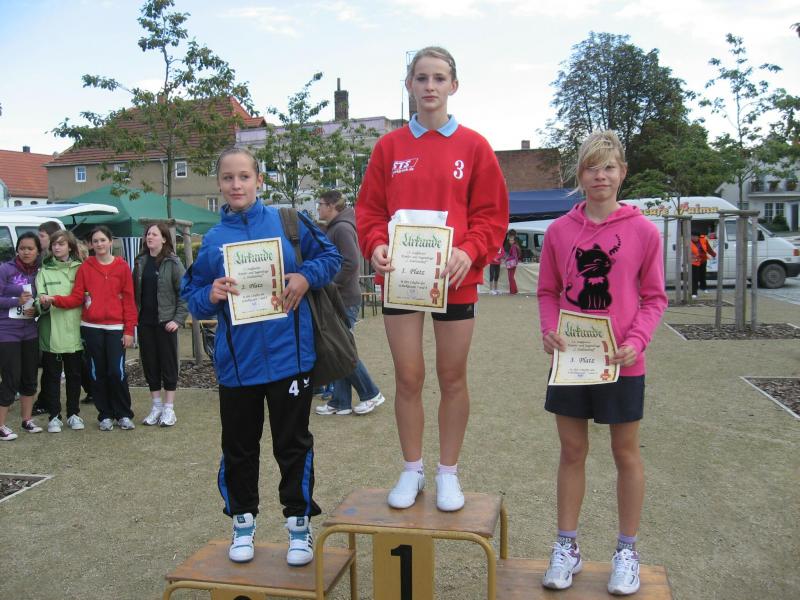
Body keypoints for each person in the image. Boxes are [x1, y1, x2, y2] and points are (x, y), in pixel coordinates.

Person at [356, 46, 508, 512]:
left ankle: (448, 473)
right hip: (402, 278)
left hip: (454, 278)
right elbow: (369, 211)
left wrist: (469, 250)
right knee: (408, 376)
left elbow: (491, 214)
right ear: (409, 85)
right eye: (421, 78)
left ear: (453, 86)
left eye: (439, 78)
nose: (429, 86)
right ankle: (412, 469)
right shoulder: (389, 147)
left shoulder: (475, 146)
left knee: (452, 376)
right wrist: (375, 244)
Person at [181, 147, 341, 566]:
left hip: (292, 359)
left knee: (293, 445)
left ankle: (299, 526)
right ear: (219, 184)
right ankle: (243, 524)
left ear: (259, 180)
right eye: (228, 178)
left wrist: (305, 276)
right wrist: (210, 294)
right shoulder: (213, 240)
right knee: (239, 449)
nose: (236, 185)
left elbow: (331, 258)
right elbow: (191, 296)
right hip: (239, 365)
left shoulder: (289, 222)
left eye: (244, 177)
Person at [536, 130, 668, 595]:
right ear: (580, 174)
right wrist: (548, 329)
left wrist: (637, 340)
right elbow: (548, 291)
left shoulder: (643, 231)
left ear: (622, 173)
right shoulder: (559, 231)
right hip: (572, 361)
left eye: (609, 167)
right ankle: (566, 546)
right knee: (572, 452)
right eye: (592, 167)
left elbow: (655, 297)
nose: (600, 176)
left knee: (625, 453)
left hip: (623, 361)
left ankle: (626, 551)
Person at [40, 225, 137, 432]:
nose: (99, 244)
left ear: (110, 242)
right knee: (97, 372)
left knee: (117, 372)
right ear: (91, 245)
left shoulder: (122, 267)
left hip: (116, 328)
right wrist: (54, 299)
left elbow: (129, 300)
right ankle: (105, 415)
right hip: (91, 328)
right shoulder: (85, 267)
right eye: (95, 241)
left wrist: (129, 330)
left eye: (103, 240)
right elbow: (76, 297)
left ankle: (123, 414)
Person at [314, 190, 386, 416]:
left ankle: (371, 393)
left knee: (342, 350)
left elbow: (352, 263)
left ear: (332, 206)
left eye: (320, 204)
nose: (318, 208)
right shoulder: (336, 227)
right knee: (339, 349)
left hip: (343, 299)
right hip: (340, 298)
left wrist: (330, 284)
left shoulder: (342, 228)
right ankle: (340, 401)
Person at [133, 222, 189, 427]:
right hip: (145, 323)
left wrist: (177, 319)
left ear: (164, 239)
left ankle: (169, 409)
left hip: (166, 323)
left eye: (154, 234)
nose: (149, 237)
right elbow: (134, 293)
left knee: (168, 364)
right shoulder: (140, 262)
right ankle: (156, 406)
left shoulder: (173, 263)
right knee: (150, 364)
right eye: (148, 234)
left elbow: (185, 293)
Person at [35, 230, 85, 433]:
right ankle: (54, 416)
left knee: (74, 375)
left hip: (75, 331)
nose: (56, 247)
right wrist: (43, 303)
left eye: (61, 244)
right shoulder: (44, 271)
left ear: (70, 247)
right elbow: (38, 300)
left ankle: (73, 413)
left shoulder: (81, 269)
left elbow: (85, 296)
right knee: (52, 376)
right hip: (51, 332)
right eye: (54, 244)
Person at [0, 232, 43, 440]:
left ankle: (27, 420)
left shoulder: (40, 273)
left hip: (30, 331)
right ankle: (0, 425)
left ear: (38, 251)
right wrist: (15, 301)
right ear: (17, 250)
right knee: (11, 377)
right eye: (22, 248)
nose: (26, 252)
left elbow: (42, 299)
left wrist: (38, 308)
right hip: (7, 331)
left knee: (29, 377)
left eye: (30, 248)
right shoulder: (5, 269)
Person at [32, 220, 63, 416]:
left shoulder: (52, 262)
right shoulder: (40, 260)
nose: (39, 239)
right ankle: (45, 400)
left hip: (60, 319)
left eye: (42, 236)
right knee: (51, 363)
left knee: (59, 363)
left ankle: (45, 401)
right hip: (45, 317)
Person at [690, 232, 716, 298]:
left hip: (703, 260)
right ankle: (694, 292)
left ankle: (703, 287)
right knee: (695, 277)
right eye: (692, 236)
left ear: (698, 237)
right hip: (694, 261)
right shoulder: (688, 242)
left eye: (695, 236)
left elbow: (708, 248)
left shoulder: (703, 240)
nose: (693, 238)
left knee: (703, 275)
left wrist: (713, 254)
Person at [504, 230, 521, 295]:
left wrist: (507, 258)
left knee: (510, 277)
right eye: (510, 240)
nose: (510, 241)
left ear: (514, 241)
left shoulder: (513, 246)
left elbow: (514, 256)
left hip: (512, 263)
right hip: (514, 263)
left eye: (511, 240)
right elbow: (516, 256)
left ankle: (513, 291)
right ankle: (514, 290)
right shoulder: (515, 246)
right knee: (511, 277)